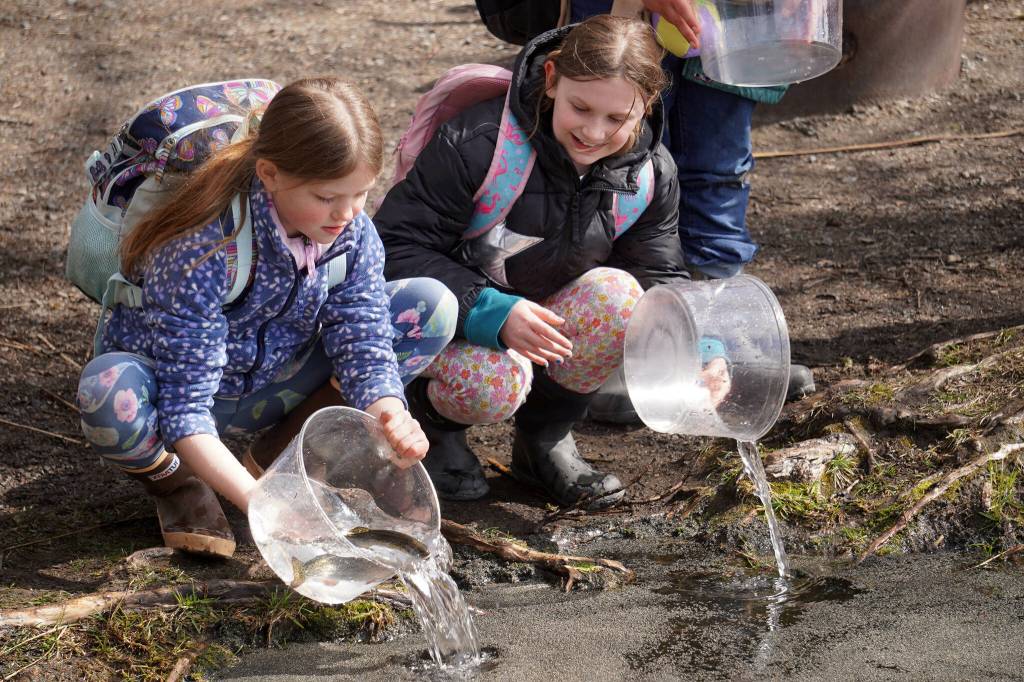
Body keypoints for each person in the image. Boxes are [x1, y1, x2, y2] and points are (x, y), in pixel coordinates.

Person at [76, 78, 457, 558]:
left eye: (360, 193)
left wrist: (392, 413)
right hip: (190, 400)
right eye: (326, 197)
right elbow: (185, 409)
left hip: (278, 380)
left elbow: (364, 341)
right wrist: (261, 505)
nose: (346, 213)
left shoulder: (352, 232)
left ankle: (289, 452)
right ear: (270, 174)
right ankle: (181, 485)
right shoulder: (204, 247)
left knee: (430, 305)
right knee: (107, 391)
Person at [375, 15, 727, 508]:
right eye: (579, 107)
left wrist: (702, 348)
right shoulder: (480, 144)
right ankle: (435, 430)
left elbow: (661, 276)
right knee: (495, 381)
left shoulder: (650, 172)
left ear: (645, 106)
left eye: (616, 119)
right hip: (447, 321)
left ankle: (544, 441)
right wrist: (489, 310)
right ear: (552, 77)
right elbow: (392, 247)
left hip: (539, 320)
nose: (593, 131)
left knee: (621, 298)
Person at [568, 0, 815, 422]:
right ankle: (616, 348)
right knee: (615, 157)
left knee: (720, 168)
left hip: (732, 20)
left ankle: (716, 335)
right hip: (626, 16)